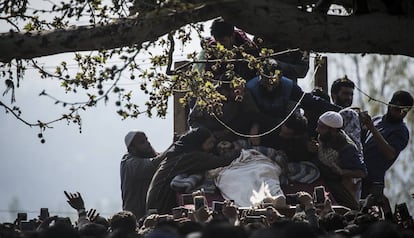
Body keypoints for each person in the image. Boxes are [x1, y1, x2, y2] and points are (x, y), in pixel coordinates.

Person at [146, 127, 241, 214]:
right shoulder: (192, 156)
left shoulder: (178, 153)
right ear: (199, 142)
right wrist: (239, 150)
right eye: (210, 142)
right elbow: (222, 161)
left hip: (155, 201)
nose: (213, 146)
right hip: (161, 201)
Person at [360, 90, 413, 199]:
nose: (401, 113)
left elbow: (390, 154)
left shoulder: (401, 131)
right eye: (398, 109)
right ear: (389, 105)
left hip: (373, 181)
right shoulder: (377, 120)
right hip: (357, 174)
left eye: (405, 111)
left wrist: (372, 128)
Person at [313, 111, 367, 210]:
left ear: (333, 130)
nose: (317, 130)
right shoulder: (324, 136)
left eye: (321, 127)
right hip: (320, 174)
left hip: (337, 183)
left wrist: (342, 172)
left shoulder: (347, 148)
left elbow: (362, 173)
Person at [120, 130, 164, 221]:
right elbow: (151, 166)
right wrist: (173, 147)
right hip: (136, 217)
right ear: (132, 148)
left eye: (147, 140)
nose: (148, 143)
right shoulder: (128, 162)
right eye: (142, 142)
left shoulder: (149, 157)